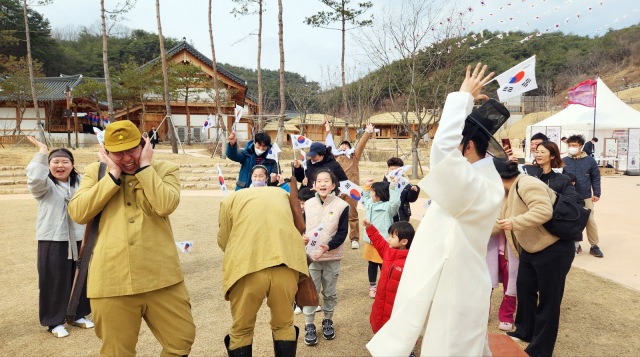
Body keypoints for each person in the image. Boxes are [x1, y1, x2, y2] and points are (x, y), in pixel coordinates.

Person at [368, 63, 508, 357]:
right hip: (458, 278)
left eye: (459, 145)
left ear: (467, 147)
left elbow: (442, 150)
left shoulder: (477, 184)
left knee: (449, 349)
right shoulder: (483, 180)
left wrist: (463, 97)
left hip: (456, 286)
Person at [68, 120, 196, 356]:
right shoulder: (94, 173)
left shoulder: (164, 169)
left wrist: (145, 168)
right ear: (105, 152)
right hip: (111, 281)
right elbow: (78, 213)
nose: (127, 158)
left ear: (144, 145)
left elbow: (166, 205)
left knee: (181, 340)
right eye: (118, 153)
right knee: (117, 352)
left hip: (162, 277)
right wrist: (112, 176)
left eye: (132, 150)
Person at [493, 160, 575, 357]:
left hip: (554, 248)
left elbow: (543, 211)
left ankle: (540, 350)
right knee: (525, 288)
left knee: (549, 301)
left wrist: (513, 222)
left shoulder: (527, 183)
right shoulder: (507, 193)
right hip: (532, 249)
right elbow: (499, 223)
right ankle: (525, 330)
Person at [218, 186, 308, 356]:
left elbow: (224, 241)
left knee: (242, 329)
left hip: (246, 268)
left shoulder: (229, 200)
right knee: (284, 325)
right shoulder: (283, 194)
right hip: (285, 264)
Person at [25, 136, 93, 338]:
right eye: (55, 162)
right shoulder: (44, 185)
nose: (60, 165)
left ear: (72, 165)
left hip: (81, 237)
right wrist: (42, 151)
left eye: (65, 161)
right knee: (53, 280)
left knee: (80, 277)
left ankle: (77, 314)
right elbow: (35, 178)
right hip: (53, 238)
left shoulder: (81, 182)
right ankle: (54, 321)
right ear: (48, 166)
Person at [302, 169, 350, 347]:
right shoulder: (307, 204)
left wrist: (328, 247)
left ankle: (328, 320)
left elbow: (343, 232)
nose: (322, 184)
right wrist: (303, 237)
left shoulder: (342, 206)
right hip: (311, 257)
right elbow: (301, 228)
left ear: (333, 185)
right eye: (319, 181)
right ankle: (309, 324)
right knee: (310, 292)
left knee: (329, 292)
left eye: (326, 181)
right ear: (313, 185)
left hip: (332, 257)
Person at [325, 120, 375, 249]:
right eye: (342, 145)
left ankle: (354, 239)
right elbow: (329, 143)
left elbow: (361, 144)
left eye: (346, 145)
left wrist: (368, 131)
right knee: (334, 214)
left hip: (351, 188)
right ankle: (333, 238)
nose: (344, 147)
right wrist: (327, 127)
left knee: (352, 214)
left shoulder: (354, 156)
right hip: (337, 188)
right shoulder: (334, 156)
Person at [363, 219, 414, 334]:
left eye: (393, 236)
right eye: (389, 235)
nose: (389, 238)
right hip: (382, 299)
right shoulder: (388, 251)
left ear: (404, 241)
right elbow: (378, 240)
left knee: (401, 328)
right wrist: (370, 227)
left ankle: (408, 349)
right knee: (381, 322)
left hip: (397, 302)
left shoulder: (410, 260)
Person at [563, 135, 604, 258]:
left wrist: (596, 193)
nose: (571, 148)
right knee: (572, 220)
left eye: (574, 145)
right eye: (569, 145)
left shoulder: (590, 161)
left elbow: (596, 177)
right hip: (570, 196)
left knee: (589, 221)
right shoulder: (564, 160)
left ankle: (594, 246)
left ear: (581, 146)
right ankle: (575, 245)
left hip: (586, 196)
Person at [361, 178, 402, 299]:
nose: (371, 194)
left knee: (384, 265)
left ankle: (386, 286)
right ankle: (373, 286)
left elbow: (395, 202)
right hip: (370, 241)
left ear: (379, 194)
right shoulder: (370, 204)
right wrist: (367, 187)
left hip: (383, 242)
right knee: (371, 264)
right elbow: (366, 198)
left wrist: (393, 188)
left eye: (373, 191)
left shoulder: (388, 207)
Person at [383, 157, 421, 222]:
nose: (393, 171)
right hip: (388, 215)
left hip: (402, 215)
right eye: (391, 169)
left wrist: (413, 191)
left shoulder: (406, 183)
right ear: (388, 169)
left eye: (396, 169)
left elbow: (411, 199)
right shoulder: (383, 184)